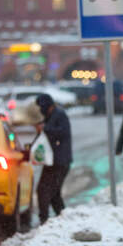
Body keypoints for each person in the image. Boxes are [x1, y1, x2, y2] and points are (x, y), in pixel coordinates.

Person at [34, 94, 72, 225]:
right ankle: (62, 219)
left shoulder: (59, 115)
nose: (40, 110)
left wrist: (45, 128)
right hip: (53, 161)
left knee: (45, 191)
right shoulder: (50, 116)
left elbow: (63, 132)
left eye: (41, 106)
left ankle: (45, 220)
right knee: (53, 193)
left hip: (59, 161)